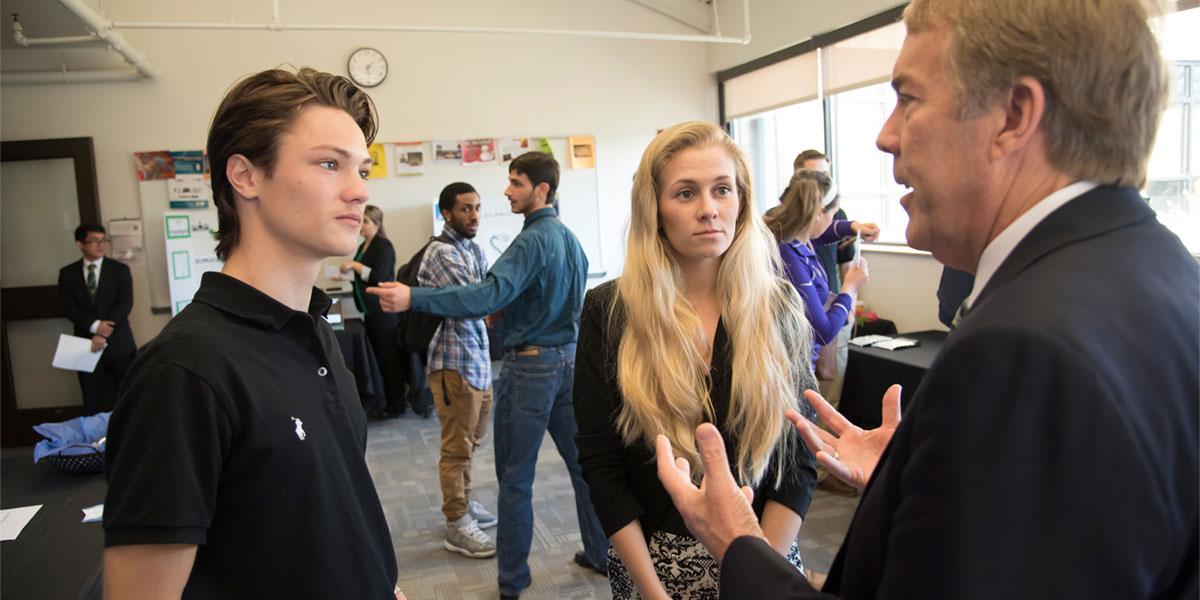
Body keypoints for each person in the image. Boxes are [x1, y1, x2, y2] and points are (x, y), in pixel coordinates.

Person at [656, 0, 1199, 598]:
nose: (886, 135)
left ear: (1014, 116)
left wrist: (738, 544)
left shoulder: (1019, 350)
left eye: (908, 99)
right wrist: (923, 472)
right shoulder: (1162, 269)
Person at [102, 67, 403, 600]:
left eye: (361, 168)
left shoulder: (312, 329)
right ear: (244, 177)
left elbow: (323, 516)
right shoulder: (185, 370)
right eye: (329, 164)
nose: (359, 191)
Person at [573, 121, 819, 599]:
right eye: (686, 193)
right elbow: (602, 466)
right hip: (653, 569)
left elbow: (798, 458)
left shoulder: (778, 305)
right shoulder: (610, 310)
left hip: (767, 554)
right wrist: (654, 594)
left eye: (722, 190)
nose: (709, 210)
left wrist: (757, 573)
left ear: (742, 202)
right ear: (655, 209)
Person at [368, 151, 608, 600]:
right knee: (583, 469)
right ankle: (600, 553)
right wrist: (513, 309)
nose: (506, 191)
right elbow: (550, 299)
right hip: (568, 364)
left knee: (516, 478)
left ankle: (512, 582)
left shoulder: (530, 241)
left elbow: (484, 294)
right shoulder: (570, 240)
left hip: (531, 368)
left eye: (515, 183)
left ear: (541, 190)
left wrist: (412, 297)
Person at [419, 181, 498, 558]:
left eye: (478, 208)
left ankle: (464, 503)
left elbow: (485, 297)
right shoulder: (440, 253)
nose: (475, 216)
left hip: (478, 362)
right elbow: (478, 301)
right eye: (466, 209)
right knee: (456, 449)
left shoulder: (474, 250)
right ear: (447, 213)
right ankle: (456, 522)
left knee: (471, 443)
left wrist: (486, 298)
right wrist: (486, 298)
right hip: (452, 365)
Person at [764, 169, 878, 367]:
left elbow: (824, 234)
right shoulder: (789, 257)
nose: (833, 221)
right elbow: (823, 332)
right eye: (832, 215)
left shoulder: (796, 239)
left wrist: (854, 227)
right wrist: (849, 289)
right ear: (817, 214)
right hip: (790, 368)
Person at [58, 224, 137, 415]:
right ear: (80, 244)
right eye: (94, 241)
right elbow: (68, 307)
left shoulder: (119, 270)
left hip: (119, 342)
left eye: (103, 240)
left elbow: (125, 303)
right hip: (85, 343)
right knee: (91, 395)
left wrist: (104, 330)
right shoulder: (68, 274)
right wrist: (95, 327)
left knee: (127, 393)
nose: (100, 245)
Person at [340, 204, 405, 417]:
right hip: (369, 310)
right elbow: (363, 277)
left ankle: (397, 405)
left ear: (376, 223)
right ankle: (384, 402)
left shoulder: (383, 246)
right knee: (378, 358)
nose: (361, 225)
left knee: (389, 359)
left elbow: (379, 276)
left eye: (366, 221)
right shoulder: (363, 246)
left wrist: (355, 267)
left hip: (383, 310)